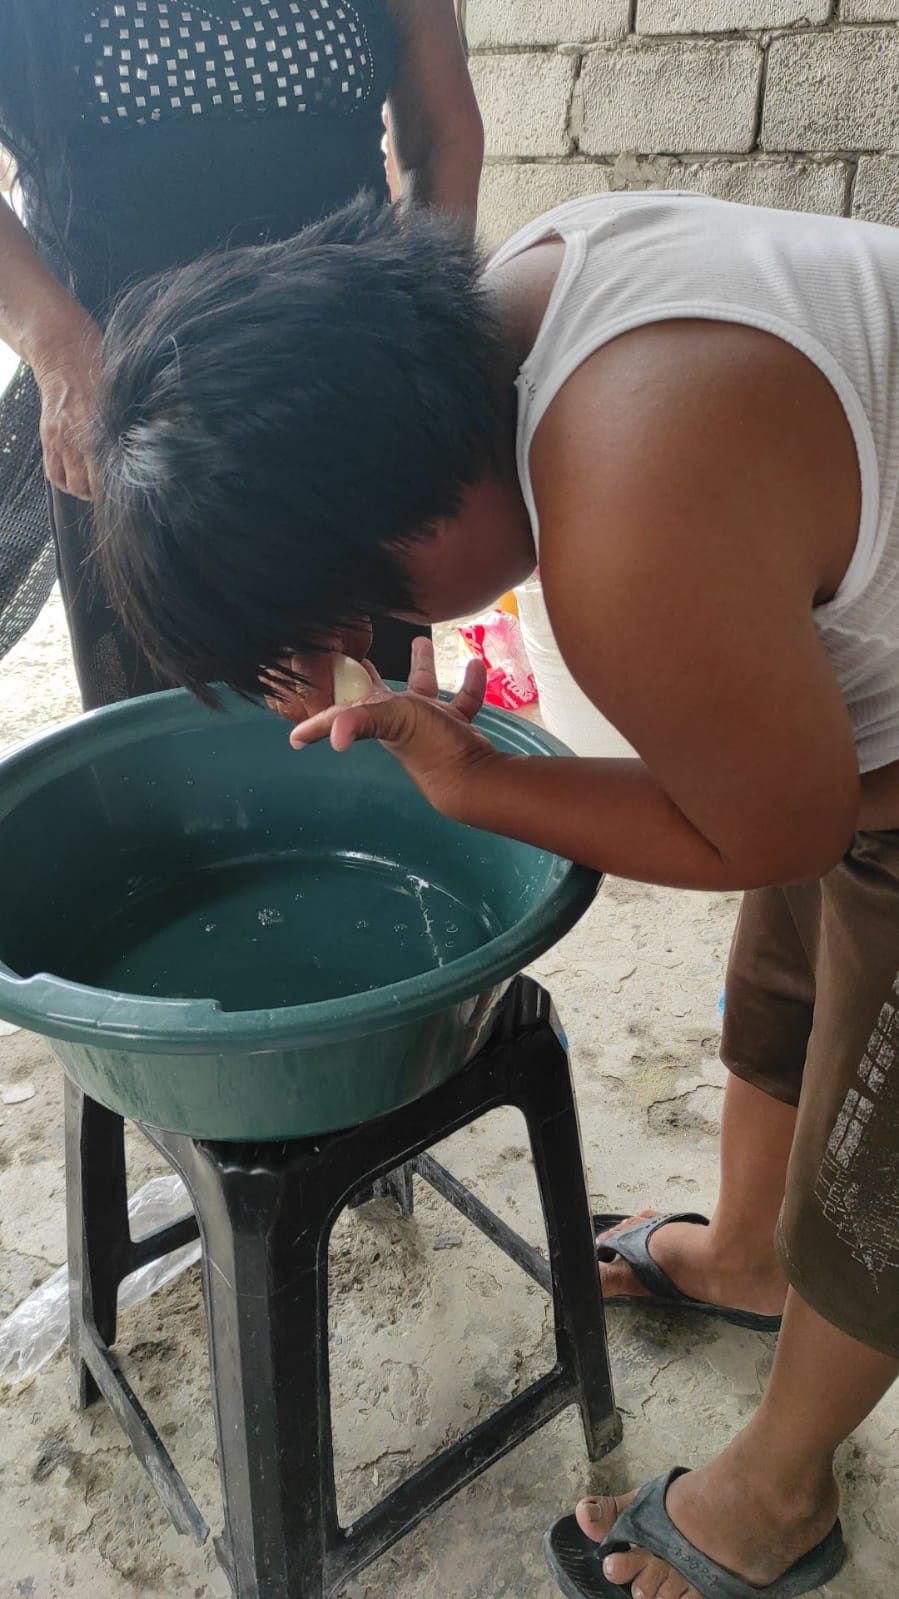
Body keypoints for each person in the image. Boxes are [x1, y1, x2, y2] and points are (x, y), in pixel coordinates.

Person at [90, 190, 899, 1598]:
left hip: (838, 787)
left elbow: (779, 828)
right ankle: (746, 1258)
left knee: (873, 1167)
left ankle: (777, 1496)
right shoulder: (530, 291)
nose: (369, 642)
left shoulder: (630, 520)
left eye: (354, 608)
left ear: (400, 508)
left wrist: (473, 783)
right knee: (781, 993)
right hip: (847, 724)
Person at [0, 0, 482, 706]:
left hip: (347, 385)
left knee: (363, 702)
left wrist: (437, 326)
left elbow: (442, 135)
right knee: (163, 713)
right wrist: (57, 348)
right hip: (128, 399)